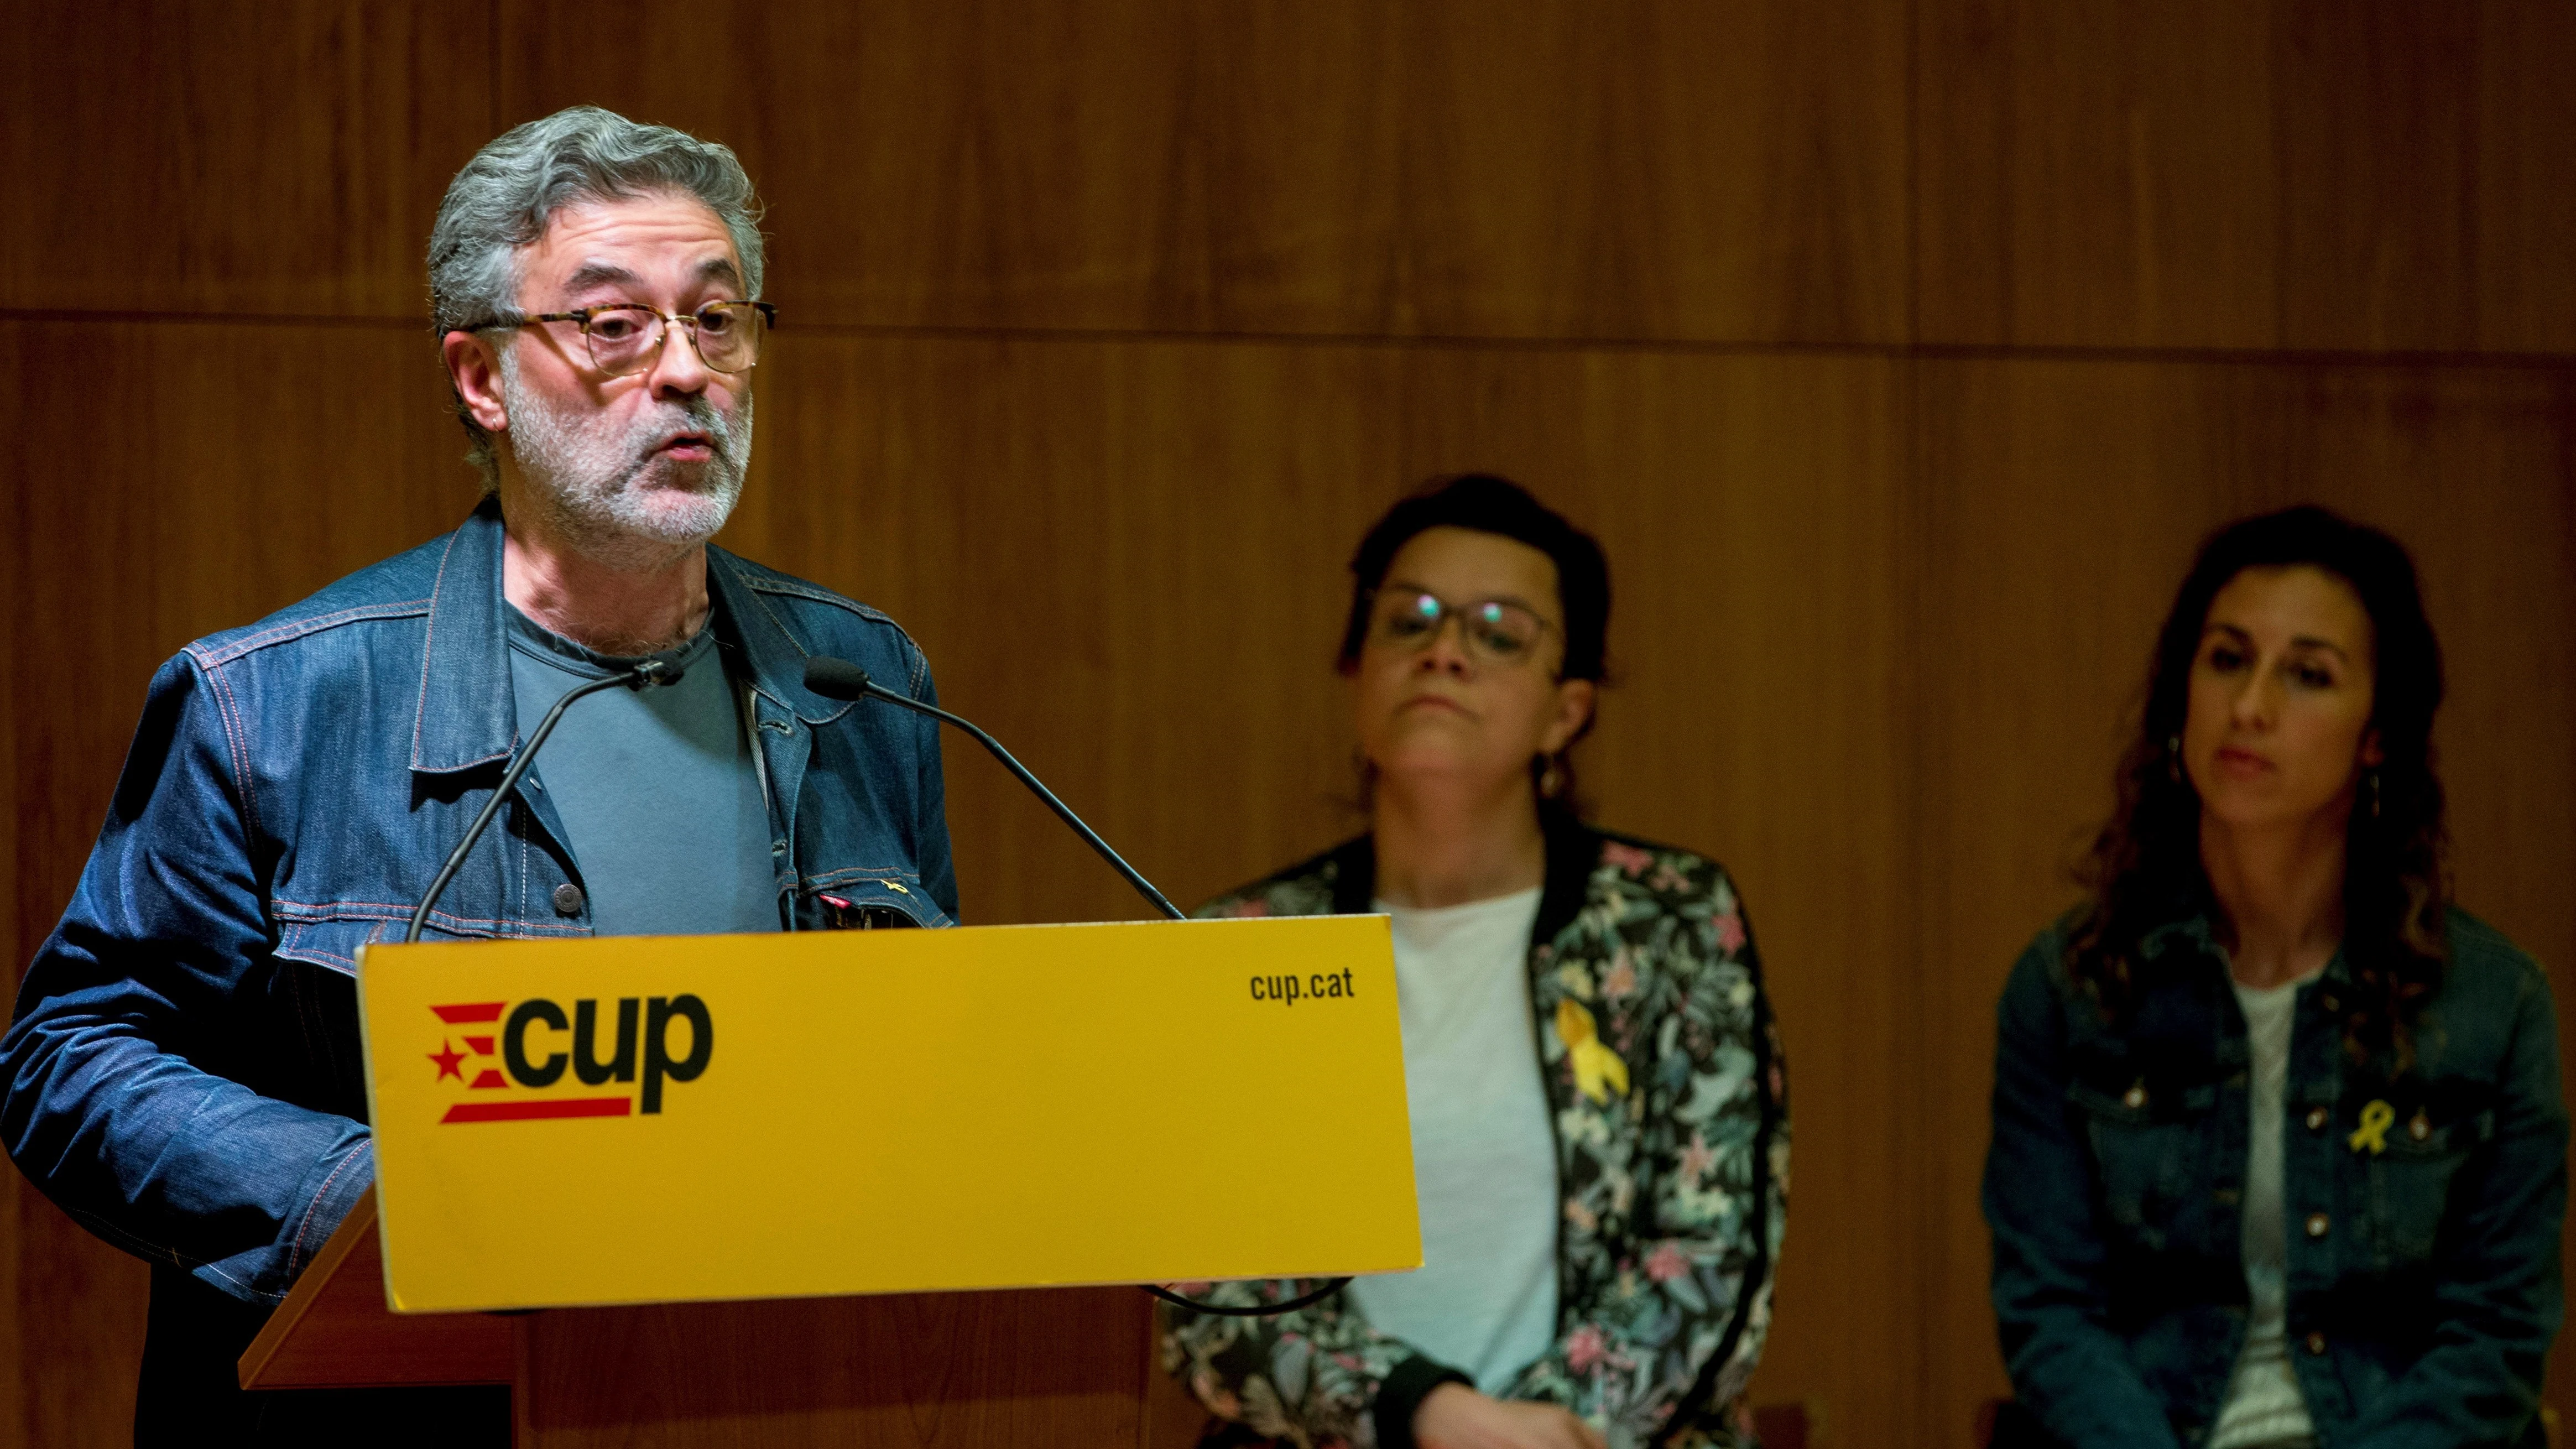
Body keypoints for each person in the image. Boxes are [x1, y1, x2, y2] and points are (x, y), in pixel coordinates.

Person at [2, 107, 956, 1444]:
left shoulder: (860, 681)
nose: (685, 371)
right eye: (614, 326)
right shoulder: (274, 696)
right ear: (482, 377)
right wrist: (374, 1198)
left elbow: (920, 1073)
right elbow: (70, 1054)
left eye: (719, 320)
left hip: (765, 1394)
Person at [1162, 476, 1789, 1449]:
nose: (1444, 651)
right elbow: (1211, 1287)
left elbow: (1711, 1249)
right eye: (1407, 620)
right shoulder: (1242, 942)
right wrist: (1428, 1416)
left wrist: (1547, 1434)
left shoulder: (1670, 922)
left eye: (1499, 632)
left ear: (1565, 711)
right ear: (1355, 668)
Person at [1984, 506, 2565, 1449]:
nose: (2249, 706)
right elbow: (2051, 1317)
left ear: (2377, 736)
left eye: (2306, 674)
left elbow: (2495, 1339)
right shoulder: (2072, 989)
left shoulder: (2495, 1005)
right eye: (2226, 659)